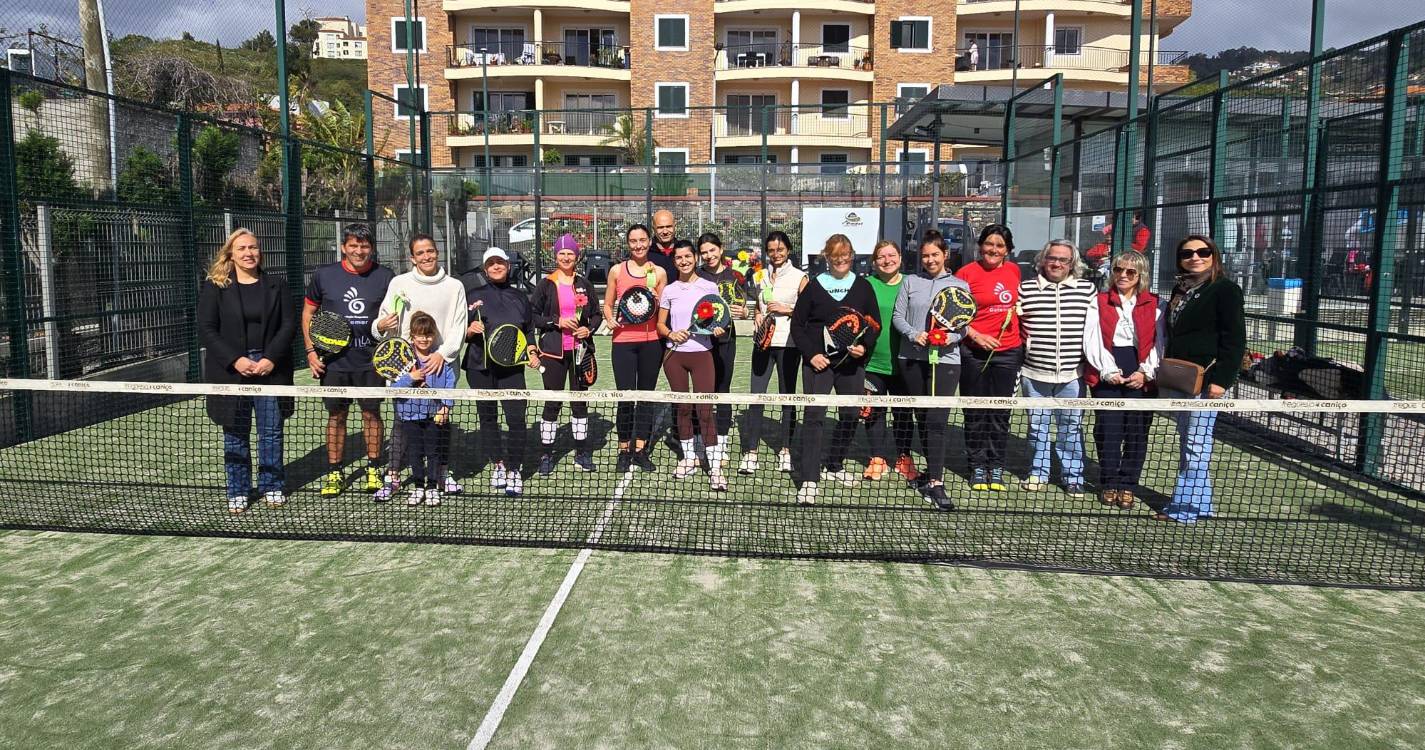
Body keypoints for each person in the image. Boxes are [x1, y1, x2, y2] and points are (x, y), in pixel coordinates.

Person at [198, 229, 295, 514]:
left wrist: (270, 359)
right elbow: (206, 329)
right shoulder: (215, 287)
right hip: (231, 371)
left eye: (253, 247)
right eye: (241, 248)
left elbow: (288, 325)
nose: (248, 253)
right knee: (235, 433)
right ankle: (238, 491)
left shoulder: (277, 284)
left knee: (271, 432)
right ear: (230, 253)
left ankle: (272, 485)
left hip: (270, 370)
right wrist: (235, 360)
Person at [1155, 235, 1246, 523]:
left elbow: (1235, 340)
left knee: (1196, 443)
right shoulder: (1181, 289)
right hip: (1183, 379)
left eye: (1202, 252)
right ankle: (1201, 505)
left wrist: (1221, 380)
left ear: (1213, 255)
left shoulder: (1225, 290)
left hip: (1207, 382)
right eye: (1187, 253)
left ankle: (1184, 510)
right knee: (1192, 441)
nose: (1195, 257)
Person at [303, 222, 393, 498]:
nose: (359, 250)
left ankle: (374, 467)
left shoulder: (386, 276)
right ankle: (334, 471)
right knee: (336, 415)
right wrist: (310, 351)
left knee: (371, 414)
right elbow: (308, 313)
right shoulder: (324, 276)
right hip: (334, 364)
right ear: (343, 247)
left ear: (372, 249)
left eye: (364, 246)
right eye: (353, 245)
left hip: (371, 362)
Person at [374, 234, 469, 496]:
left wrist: (443, 355)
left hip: (442, 367)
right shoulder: (399, 283)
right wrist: (381, 326)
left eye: (430, 251)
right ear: (412, 257)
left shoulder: (454, 286)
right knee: (403, 424)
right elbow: (381, 323)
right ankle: (392, 477)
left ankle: (442, 474)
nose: (426, 256)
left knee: (440, 422)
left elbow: (459, 326)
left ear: (437, 252)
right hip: (405, 368)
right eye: (420, 253)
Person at [790, 234, 881, 505]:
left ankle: (833, 464)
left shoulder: (863, 287)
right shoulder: (815, 286)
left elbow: (874, 325)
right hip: (819, 365)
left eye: (846, 255)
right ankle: (809, 479)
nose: (841, 260)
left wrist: (864, 347)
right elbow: (798, 325)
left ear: (852, 256)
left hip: (851, 366)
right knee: (814, 417)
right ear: (826, 257)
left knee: (851, 415)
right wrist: (813, 354)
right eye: (835, 256)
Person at [892, 235, 971, 510]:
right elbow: (898, 318)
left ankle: (936, 481)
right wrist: (916, 335)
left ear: (945, 254)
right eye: (926, 255)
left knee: (937, 420)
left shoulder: (960, 285)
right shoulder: (911, 282)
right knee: (923, 418)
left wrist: (947, 338)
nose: (930, 260)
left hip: (946, 362)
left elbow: (963, 325)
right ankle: (929, 472)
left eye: (935, 254)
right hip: (911, 359)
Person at [1017, 240, 1098, 496]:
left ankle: (1073, 476)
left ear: (1072, 263)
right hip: (1033, 373)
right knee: (1037, 427)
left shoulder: (1087, 290)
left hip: (1073, 375)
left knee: (1070, 428)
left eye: (1063, 260)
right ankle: (1038, 472)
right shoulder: (1026, 289)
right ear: (1043, 260)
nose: (1057, 264)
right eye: (1052, 258)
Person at [1084, 251, 1160, 510]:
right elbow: (1092, 339)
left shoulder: (1153, 303)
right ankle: (1109, 483)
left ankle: (1128, 485)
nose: (1123, 276)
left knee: (1136, 431)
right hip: (1108, 366)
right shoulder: (1099, 301)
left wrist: (1145, 372)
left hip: (1139, 367)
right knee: (1108, 430)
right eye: (1118, 270)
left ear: (1140, 276)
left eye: (1130, 272)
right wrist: (1108, 370)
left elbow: (1157, 343)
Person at [463, 247, 540, 497]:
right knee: (488, 419)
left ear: (508, 266)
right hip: (479, 367)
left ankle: (514, 470)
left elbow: (528, 330)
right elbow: (458, 330)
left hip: (512, 370)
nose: (496, 267)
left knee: (516, 419)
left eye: (500, 263)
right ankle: (498, 464)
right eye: (491, 264)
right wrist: (469, 330)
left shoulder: (520, 297)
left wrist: (532, 351)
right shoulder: (472, 295)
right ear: (485, 269)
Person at [956, 223, 1023, 492]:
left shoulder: (1015, 271)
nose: (993, 250)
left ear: (1007, 249)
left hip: (1008, 353)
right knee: (974, 412)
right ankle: (977, 466)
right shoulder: (965, 274)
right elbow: (954, 313)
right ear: (980, 245)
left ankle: (996, 466)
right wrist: (975, 335)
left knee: (999, 413)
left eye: (1000, 245)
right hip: (973, 353)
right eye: (989, 244)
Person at [657, 242, 730, 490]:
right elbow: (660, 325)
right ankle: (688, 458)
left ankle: (715, 468)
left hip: (702, 355)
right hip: (675, 357)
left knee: (705, 410)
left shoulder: (709, 287)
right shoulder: (669, 290)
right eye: (679, 257)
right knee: (683, 408)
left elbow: (718, 318)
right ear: (674, 261)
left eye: (688, 256)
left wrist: (718, 330)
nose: (684, 261)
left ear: (695, 258)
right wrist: (670, 334)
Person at [529, 233, 602, 475]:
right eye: (562, 253)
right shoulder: (546, 284)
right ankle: (546, 455)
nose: (566, 257)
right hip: (553, 354)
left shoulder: (585, 283)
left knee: (579, 403)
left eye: (570, 253)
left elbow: (596, 315)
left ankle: (581, 453)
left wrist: (587, 328)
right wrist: (556, 321)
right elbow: (533, 316)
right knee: (553, 403)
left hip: (580, 352)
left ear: (577, 256)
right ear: (555, 256)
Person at [740, 230, 807, 475]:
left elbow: (807, 311)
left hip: (789, 344)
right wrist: (758, 314)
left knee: (787, 398)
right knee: (756, 397)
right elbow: (758, 303)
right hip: (763, 343)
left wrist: (787, 309)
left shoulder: (801, 277)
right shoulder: (760, 275)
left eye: (780, 249)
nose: (776, 254)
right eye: (771, 250)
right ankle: (751, 452)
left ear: (788, 250)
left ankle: (786, 450)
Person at [603, 224, 668, 472]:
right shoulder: (617, 271)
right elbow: (608, 305)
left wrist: (657, 297)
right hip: (623, 343)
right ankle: (623, 450)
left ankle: (640, 449)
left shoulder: (659, 272)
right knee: (625, 398)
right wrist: (609, 318)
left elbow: (663, 309)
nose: (638, 245)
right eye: (633, 241)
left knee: (646, 398)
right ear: (628, 244)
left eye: (642, 240)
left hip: (652, 343)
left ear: (649, 242)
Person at [391, 312, 457, 507]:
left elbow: (449, 385)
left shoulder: (441, 361)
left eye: (428, 335)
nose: (424, 339)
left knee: (433, 452)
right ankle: (419, 486)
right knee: (415, 453)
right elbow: (394, 389)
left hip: (433, 416)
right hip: (409, 415)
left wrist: (446, 407)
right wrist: (410, 378)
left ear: (434, 336)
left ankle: (432, 488)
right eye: (420, 335)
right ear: (412, 336)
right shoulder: (402, 360)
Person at [862, 240, 915, 481]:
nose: (887, 260)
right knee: (874, 412)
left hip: (905, 361)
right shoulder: (866, 285)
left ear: (900, 258)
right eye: (881, 257)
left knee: (903, 413)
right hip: (873, 363)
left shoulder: (911, 284)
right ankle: (877, 459)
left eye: (891, 255)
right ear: (874, 262)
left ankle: (904, 458)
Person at [695, 232, 748, 453]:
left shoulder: (735, 275)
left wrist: (744, 312)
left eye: (712, 250)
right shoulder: (695, 276)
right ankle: (700, 438)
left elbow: (743, 304)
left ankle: (722, 439)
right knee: (702, 391)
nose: (708, 255)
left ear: (721, 249)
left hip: (726, 340)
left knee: (722, 389)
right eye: (704, 252)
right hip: (700, 342)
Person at [648, 208, 680, 278]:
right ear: (654, 229)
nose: (665, 232)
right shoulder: (646, 253)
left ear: (675, 226)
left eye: (668, 226)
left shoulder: (682, 250)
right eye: (660, 227)